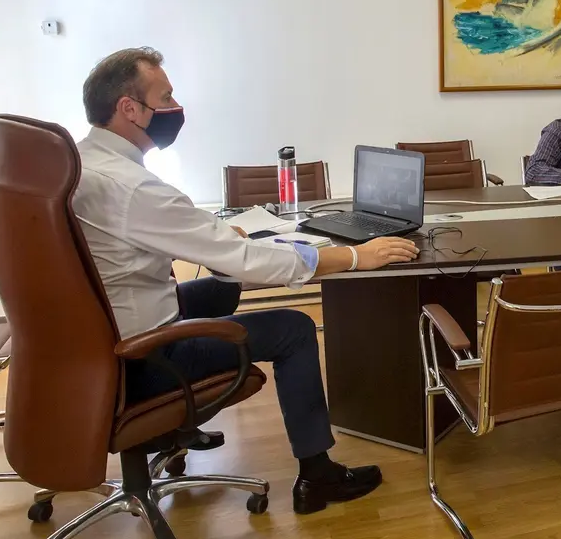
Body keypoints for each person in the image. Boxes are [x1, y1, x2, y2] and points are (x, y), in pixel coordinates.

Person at [71, 47, 419, 515]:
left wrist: (211, 238)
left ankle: (181, 431)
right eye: (166, 96)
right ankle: (318, 476)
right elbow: (240, 260)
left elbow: (135, 236)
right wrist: (354, 256)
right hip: (145, 356)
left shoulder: (80, 161)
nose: (175, 107)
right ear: (129, 109)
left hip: (102, 330)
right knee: (294, 328)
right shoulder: (132, 187)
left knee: (220, 288)